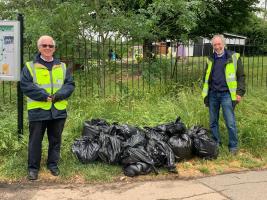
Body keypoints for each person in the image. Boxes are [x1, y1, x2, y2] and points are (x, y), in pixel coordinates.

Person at [20, 35, 75, 180]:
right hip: (38, 110)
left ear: (54, 48)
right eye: (44, 45)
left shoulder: (63, 66)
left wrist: (58, 95)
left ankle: (52, 164)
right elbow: (26, 86)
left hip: (58, 110)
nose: (47, 48)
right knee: (35, 141)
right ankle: (33, 168)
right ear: (39, 47)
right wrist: (44, 95)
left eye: (50, 46)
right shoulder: (29, 66)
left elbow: (70, 85)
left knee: (55, 140)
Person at [202, 34, 245, 155]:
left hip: (227, 95)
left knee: (230, 122)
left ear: (223, 44)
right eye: (214, 45)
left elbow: (241, 77)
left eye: (219, 44)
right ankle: (216, 144)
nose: (217, 46)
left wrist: (240, 93)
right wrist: (206, 94)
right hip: (213, 94)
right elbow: (205, 77)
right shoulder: (210, 59)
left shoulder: (233, 57)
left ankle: (233, 147)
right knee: (213, 122)